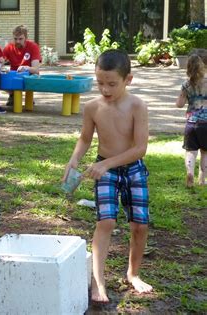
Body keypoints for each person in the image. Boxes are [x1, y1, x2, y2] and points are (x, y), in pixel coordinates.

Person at [62, 49, 152, 303]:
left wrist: (108, 164)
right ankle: (97, 283)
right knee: (106, 222)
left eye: (112, 84)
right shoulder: (92, 107)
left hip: (132, 168)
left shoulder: (137, 106)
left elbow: (140, 148)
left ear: (128, 80)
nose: (105, 89)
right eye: (100, 83)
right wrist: (74, 159)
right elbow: (85, 138)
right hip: (105, 169)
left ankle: (133, 274)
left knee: (140, 225)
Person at [175, 49, 207, 187]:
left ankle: (190, 173)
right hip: (205, 124)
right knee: (205, 152)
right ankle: (202, 179)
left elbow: (179, 104)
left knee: (190, 152)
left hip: (191, 124)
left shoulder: (186, 85)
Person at [3, 25, 41, 107]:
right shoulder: (9, 47)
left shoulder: (33, 46)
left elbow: (36, 70)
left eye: (20, 39)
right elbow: (0, 62)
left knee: (34, 76)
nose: (17, 41)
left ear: (26, 38)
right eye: (15, 39)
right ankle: (12, 95)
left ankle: (29, 97)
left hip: (28, 74)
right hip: (14, 75)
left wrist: (25, 68)